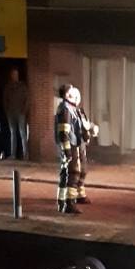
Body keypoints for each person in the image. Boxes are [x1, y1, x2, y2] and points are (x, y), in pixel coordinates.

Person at [55, 84, 83, 214]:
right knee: (73, 174)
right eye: (72, 91)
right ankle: (70, 204)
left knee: (65, 174)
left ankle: (62, 202)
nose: (75, 93)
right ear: (67, 94)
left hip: (70, 145)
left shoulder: (69, 107)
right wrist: (67, 151)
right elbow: (63, 132)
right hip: (70, 145)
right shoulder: (66, 109)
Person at [71, 87, 98, 204]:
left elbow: (85, 123)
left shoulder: (79, 111)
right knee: (74, 171)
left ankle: (80, 193)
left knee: (83, 170)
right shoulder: (68, 112)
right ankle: (71, 197)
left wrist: (93, 127)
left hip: (81, 144)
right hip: (73, 145)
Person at [3, 68, 30, 160]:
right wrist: (7, 110)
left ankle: (25, 154)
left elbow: (27, 99)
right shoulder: (8, 87)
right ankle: (13, 154)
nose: (14, 76)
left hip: (20, 113)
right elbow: (5, 99)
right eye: (13, 74)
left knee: (22, 133)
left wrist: (24, 110)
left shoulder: (22, 87)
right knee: (12, 133)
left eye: (16, 74)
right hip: (11, 113)